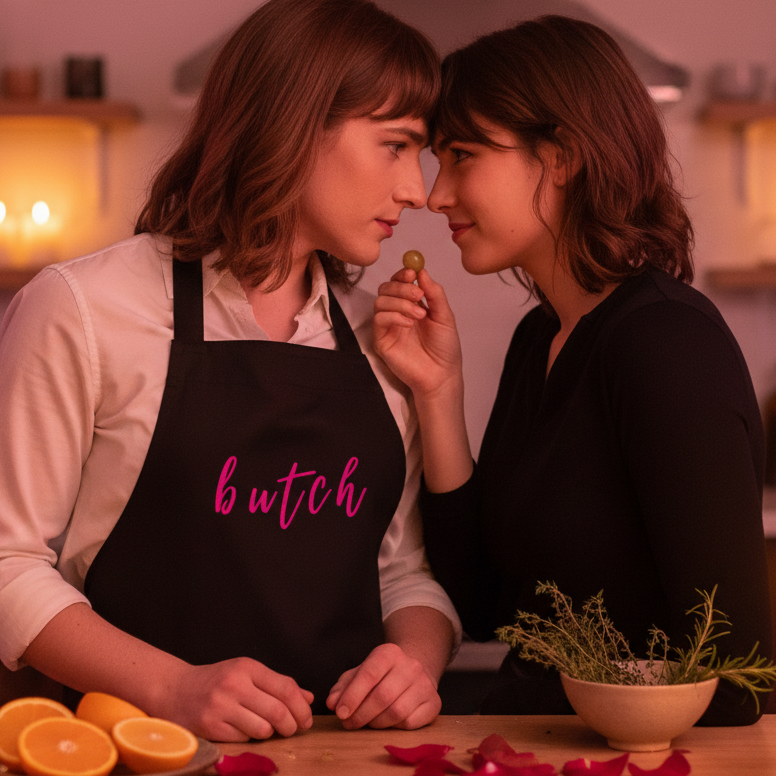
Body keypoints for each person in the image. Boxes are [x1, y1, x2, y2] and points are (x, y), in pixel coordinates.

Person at [0, 0, 462, 741]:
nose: (416, 188)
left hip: (339, 759)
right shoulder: (81, 309)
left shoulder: (385, 337)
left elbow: (402, 571)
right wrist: (172, 687)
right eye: (396, 146)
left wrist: (414, 660)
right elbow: (7, 565)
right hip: (138, 750)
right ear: (296, 122)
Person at [374, 14, 771, 725]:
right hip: (528, 741)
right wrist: (438, 390)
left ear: (560, 156)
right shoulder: (542, 338)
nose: (435, 195)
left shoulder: (664, 344)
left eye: (462, 155)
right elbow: (488, 605)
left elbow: (737, 676)